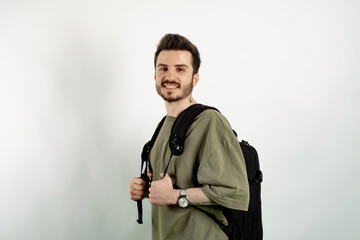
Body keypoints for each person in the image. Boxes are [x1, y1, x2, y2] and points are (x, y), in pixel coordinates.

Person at [129, 33, 249, 240]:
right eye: (163, 68)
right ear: (155, 76)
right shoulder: (162, 126)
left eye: (180, 69)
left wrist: (176, 196)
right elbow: (171, 182)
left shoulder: (210, 121)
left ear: (195, 78)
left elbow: (236, 191)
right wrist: (145, 189)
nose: (170, 76)